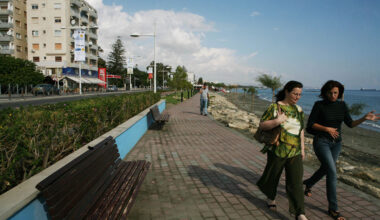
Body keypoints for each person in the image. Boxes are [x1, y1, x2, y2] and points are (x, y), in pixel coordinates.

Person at [303, 80, 380, 220]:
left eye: (336, 93)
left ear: (339, 93)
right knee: (332, 172)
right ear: (325, 92)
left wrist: (364, 118)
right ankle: (333, 209)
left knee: (327, 169)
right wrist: (326, 128)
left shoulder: (342, 105)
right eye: (330, 92)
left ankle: (308, 183)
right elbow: (310, 125)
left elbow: (350, 124)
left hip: (336, 144)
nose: (333, 95)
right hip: (322, 142)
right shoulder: (319, 105)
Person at [256, 81, 308, 220]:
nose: (297, 97)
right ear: (286, 91)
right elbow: (262, 125)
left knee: (296, 182)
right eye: (295, 93)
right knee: (273, 175)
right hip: (277, 149)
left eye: (299, 94)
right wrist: (277, 121)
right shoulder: (275, 107)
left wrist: (302, 148)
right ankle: (271, 197)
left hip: (295, 151)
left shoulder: (299, 110)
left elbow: (301, 130)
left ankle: (300, 213)